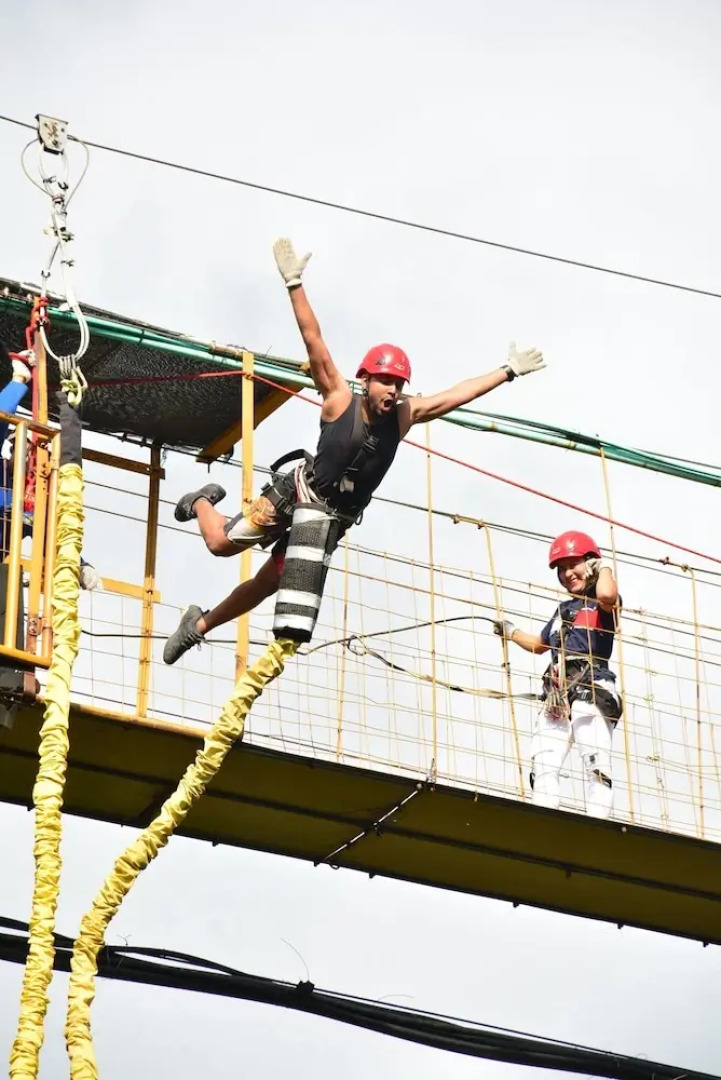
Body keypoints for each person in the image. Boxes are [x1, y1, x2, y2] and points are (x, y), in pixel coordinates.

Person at [163, 237, 546, 665]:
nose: (393, 390)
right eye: (386, 381)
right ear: (366, 379)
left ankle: (198, 625)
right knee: (219, 543)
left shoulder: (404, 415)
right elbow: (314, 339)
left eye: (399, 383)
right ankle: (200, 500)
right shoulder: (339, 398)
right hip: (297, 495)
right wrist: (293, 283)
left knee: (269, 581)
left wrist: (507, 371)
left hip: (330, 521)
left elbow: (454, 395)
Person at [492, 530, 622, 819]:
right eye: (561, 570)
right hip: (557, 696)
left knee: (596, 764)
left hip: (592, 688)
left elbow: (606, 593)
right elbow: (539, 645)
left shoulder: (604, 605)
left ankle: (596, 825)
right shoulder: (564, 610)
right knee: (543, 765)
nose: (566, 575)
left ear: (589, 564)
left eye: (572, 565)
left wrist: (603, 566)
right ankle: (543, 821)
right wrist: (511, 632)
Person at [0, 342, 98, 588]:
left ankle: (75, 566)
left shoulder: (34, 492)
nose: (22, 456)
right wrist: (18, 381)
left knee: (35, 515)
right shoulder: (4, 477)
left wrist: (77, 563)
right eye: (17, 447)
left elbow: (50, 529)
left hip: (16, 522)